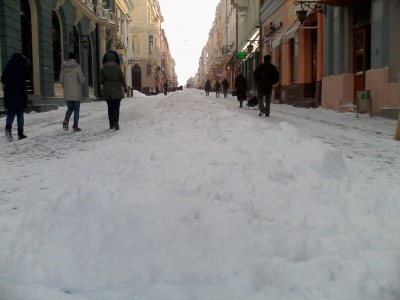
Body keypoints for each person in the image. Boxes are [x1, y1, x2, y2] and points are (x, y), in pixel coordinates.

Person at [1, 53, 31, 141]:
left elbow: (3, 79)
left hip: (9, 93)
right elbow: (29, 76)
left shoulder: (8, 66)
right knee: (19, 114)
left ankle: (8, 129)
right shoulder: (22, 66)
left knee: (10, 113)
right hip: (20, 93)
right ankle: (20, 133)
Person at [99, 50, 127, 130]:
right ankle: (116, 122)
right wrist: (125, 87)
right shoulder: (118, 69)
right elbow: (122, 79)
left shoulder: (103, 69)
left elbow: (100, 80)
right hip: (117, 89)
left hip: (108, 91)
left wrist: (106, 82)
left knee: (110, 107)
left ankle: (111, 123)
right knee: (116, 107)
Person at [60, 52, 85, 132]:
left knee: (70, 108)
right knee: (76, 110)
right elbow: (82, 80)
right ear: (75, 58)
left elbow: (61, 80)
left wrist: (66, 86)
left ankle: (66, 120)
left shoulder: (63, 68)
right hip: (76, 91)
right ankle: (75, 126)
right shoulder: (77, 67)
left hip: (67, 91)